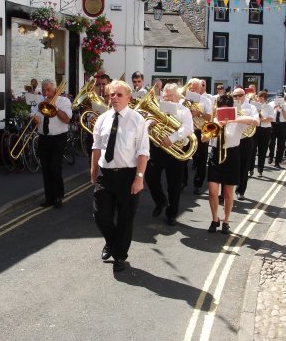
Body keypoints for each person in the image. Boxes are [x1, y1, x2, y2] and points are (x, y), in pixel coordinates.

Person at [90, 80, 149, 272]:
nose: (113, 98)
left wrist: (139, 177)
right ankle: (112, 241)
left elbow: (143, 151)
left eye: (118, 94)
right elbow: (96, 147)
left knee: (125, 219)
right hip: (105, 174)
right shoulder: (103, 119)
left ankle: (120, 256)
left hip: (128, 175)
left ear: (128, 97)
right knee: (101, 216)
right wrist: (93, 172)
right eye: (110, 95)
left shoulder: (137, 120)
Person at [204, 94, 256, 234]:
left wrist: (235, 118)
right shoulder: (214, 121)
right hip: (216, 156)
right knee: (213, 192)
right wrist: (217, 125)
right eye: (221, 110)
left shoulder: (237, 121)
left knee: (228, 193)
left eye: (226, 110)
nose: (223, 113)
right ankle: (215, 219)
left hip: (232, 156)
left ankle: (226, 221)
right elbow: (204, 138)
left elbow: (255, 121)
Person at [145, 83, 193, 226]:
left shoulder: (184, 111)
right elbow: (145, 122)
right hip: (157, 149)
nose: (168, 99)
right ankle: (161, 202)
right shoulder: (157, 107)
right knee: (151, 178)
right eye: (165, 96)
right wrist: (150, 123)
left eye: (171, 96)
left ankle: (172, 213)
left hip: (175, 151)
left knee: (174, 185)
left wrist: (171, 139)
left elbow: (188, 128)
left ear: (178, 96)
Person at [33, 79, 72, 208]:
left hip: (58, 138)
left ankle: (58, 196)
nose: (45, 92)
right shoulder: (39, 101)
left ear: (55, 90)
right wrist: (34, 118)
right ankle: (49, 198)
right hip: (44, 138)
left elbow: (67, 119)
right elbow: (33, 115)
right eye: (43, 89)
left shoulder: (64, 101)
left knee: (55, 167)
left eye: (48, 89)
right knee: (45, 169)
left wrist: (56, 108)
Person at [186, 78, 212, 194]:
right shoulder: (184, 100)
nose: (193, 90)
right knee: (183, 157)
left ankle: (198, 184)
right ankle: (183, 180)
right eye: (191, 88)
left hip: (200, 130)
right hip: (187, 131)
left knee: (201, 160)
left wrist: (199, 113)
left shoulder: (206, 101)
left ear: (200, 88)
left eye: (195, 88)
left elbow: (210, 118)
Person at [234, 88, 260, 200]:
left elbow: (257, 122)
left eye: (240, 95)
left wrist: (244, 118)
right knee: (230, 165)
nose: (237, 98)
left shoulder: (251, 107)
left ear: (244, 95)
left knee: (244, 167)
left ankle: (240, 191)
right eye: (235, 96)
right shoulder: (231, 106)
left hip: (245, 138)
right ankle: (225, 191)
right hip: (232, 138)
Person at [253, 91, 275, 177]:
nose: (260, 99)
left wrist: (262, 119)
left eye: (262, 97)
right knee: (253, 150)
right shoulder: (254, 107)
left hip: (265, 130)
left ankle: (260, 170)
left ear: (265, 98)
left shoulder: (269, 107)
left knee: (262, 151)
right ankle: (250, 168)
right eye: (259, 97)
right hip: (256, 129)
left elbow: (271, 119)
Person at [268, 92, 286, 169]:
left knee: (281, 145)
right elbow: (268, 115)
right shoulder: (271, 104)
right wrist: (274, 108)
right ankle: (271, 156)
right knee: (271, 143)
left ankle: (277, 162)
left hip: (282, 125)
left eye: (281, 98)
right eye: (278, 98)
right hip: (273, 124)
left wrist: (282, 109)